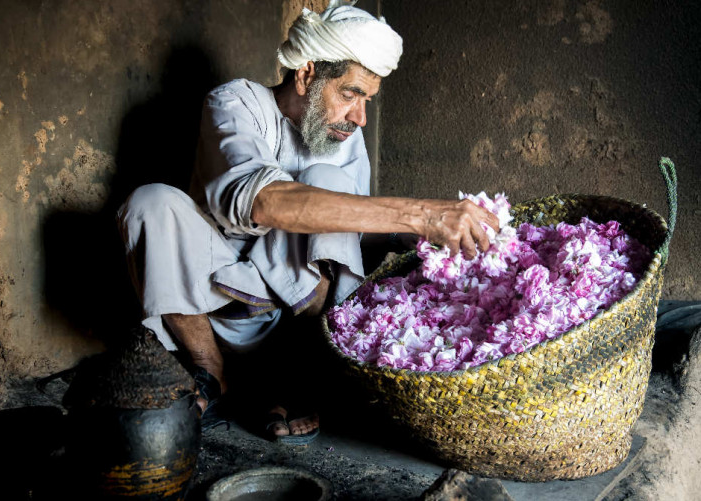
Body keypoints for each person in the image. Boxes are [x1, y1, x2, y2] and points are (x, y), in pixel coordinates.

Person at [117, 0, 499, 443]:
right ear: (306, 75)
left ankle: (295, 380)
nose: (359, 117)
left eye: (367, 100)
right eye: (350, 93)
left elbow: (352, 236)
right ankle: (211, 373)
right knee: (149, 202)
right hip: (209, 301)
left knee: (326, 180)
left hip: (293, 325)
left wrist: (421, 238)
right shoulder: (235, 102)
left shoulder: (343, 137)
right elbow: (263, 202)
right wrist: (422, 214)